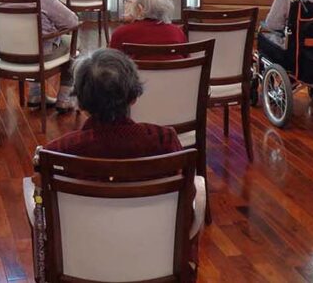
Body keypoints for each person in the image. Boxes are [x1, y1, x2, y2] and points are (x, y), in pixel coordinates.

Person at [26, 50, 205, 257]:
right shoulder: (164, 140)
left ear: (82, 104)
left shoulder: (58, 152)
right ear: (134, 97)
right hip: (155, 254)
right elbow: (188, 197)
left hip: (83, 257)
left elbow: (44, 206)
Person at [0, 0, 80, 111]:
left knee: (36, 44)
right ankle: (64, 99)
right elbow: (72, 21)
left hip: (8, 55)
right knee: (74, 45)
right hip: (39, 55)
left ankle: (36, 94)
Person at [109, 0, 187, 52]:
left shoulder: (121, 34)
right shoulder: (177, 33)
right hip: (173, 67)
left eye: (128, 2)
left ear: (140, 9)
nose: (126, 5)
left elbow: (112, 64)